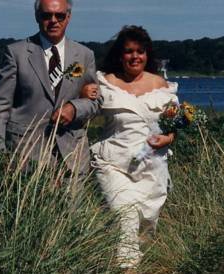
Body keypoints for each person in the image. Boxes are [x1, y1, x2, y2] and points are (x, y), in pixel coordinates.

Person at [91, 25, 178, 269]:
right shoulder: (105, 83)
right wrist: (84, 92)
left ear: (147, 55)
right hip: (113, 165)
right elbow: (84, 108)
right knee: (126, 216)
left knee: (146, 225)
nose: (135, 57)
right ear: (120, 55)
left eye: (140, 51)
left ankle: (136, 265)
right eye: (129, 51)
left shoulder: (161, 85)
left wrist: (168, 139)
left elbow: (175, 125)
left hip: (152, 168)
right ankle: (127, 268)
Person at [0, 0, 101, 173]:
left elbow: (96, 101)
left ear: (68, 17)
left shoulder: (85, 55)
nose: (53, 20)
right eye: (47, 15)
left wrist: (74, 108)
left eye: (60, 15)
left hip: (72, 157)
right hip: (25, 156)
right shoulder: (16, 53)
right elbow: (0, 106)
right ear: (37, 17)